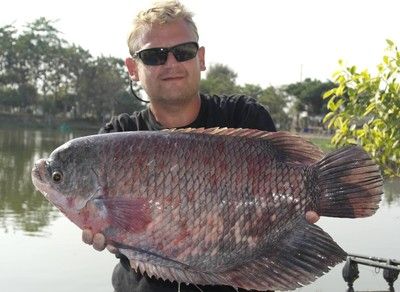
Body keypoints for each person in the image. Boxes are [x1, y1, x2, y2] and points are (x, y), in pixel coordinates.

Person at [82, 1, 320, 291]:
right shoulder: (115, 138)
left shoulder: (244, 118)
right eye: (154, 56)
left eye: (183, 52)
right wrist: (106, 232)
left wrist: (300, 210)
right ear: (133, 68)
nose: (171, 64)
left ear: (201, 58)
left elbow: (293, 177)